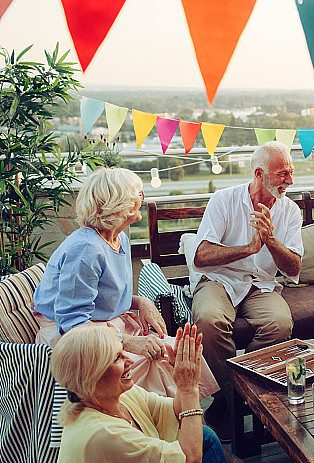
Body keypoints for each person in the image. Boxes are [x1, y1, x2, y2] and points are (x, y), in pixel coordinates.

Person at [33, 167, 218, 399]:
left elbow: (102, 296)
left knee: (175, 353)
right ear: (118, 203)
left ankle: (177, 418)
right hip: (78, 338)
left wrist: (140, 302)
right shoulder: (85, 250)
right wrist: (129, 342)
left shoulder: (118, 238)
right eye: (138, 194)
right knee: (160, 359)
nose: (142, 199)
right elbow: (73, 324)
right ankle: (159, 421)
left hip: (106, 326)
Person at [191, 140, 303, 439]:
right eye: (283, 174)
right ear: (259, 173)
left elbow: (293, 268)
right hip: (220, 279)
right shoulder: (223, 200)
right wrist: (248, 248)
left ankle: (237, 395)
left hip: (261, 285)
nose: (289, 181)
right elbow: (201, 256)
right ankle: (233, 400)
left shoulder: (290, 211)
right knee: (209, 321)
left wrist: (270, 240)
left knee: (279, 324)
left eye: (291, 173)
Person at [51, 323, 232, 463]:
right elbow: (190, 460)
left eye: (123, 352)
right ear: (91, 377)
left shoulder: (119, 396)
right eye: (117, 358)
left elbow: (176, 413)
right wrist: (189, 388)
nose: (129, 360)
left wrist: (183, 384)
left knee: (204, 437)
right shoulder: (104, 435)